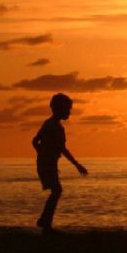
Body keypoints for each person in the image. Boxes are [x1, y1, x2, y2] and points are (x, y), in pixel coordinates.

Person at [32, 93, 87, 234]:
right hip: (47, 163)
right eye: (68, 109)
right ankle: (45, 223)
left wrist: (43, 154)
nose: (69, 112)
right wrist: (77, 164)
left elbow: (35, 141)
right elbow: (62, 149)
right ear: (60, 109)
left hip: (47, 162)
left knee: (56, 191)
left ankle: (45, 222)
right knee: (57, 191)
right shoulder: (53, 126)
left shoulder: (51, 124)